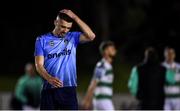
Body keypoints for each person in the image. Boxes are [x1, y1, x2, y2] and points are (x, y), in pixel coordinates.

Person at [34, 9, 95, 110]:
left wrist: (75, 17)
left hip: (69, 89)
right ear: (55, 22)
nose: (65, 30)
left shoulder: (72, 37)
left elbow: (91, 36)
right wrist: (49, 78)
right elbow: (39, 65)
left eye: (68, 28)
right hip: (49, 89)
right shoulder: (42, 40)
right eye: (63, 27)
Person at [82, 41, 117, 110]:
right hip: (103, 100)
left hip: (101, 100)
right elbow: (94, 82)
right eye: (112, 49)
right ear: (106, 51)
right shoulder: (102, 65)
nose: (115, 50)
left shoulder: (107, 65)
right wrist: (87, 100)